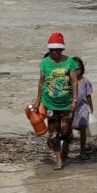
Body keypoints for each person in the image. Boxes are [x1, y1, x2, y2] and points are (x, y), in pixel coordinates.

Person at [35, 33, 79, 170]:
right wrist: (38, 101)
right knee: (53, 133)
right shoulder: (44, 63)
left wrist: (75, 99)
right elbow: (41, 82)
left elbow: (75, 81)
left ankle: (66, 145)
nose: (54, 53)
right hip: (50, 103)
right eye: (52, 50)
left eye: (57, 50)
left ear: (62, 50)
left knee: (65, 131)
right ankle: (58, 159)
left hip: (67, 103)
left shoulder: (69, 62)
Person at [71, 57, 94, 159]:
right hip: (71, 108)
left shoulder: (85, 81)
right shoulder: (68, 82)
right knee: (67, 129)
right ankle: (65, 150)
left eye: (79, 68)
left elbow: (88, 95)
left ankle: (82, 151)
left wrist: (91, 108)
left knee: (83, 127)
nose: (78, 71)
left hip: (83, 107)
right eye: (75, 69)